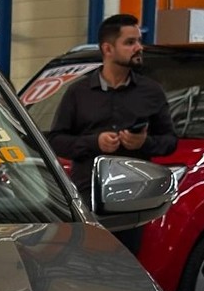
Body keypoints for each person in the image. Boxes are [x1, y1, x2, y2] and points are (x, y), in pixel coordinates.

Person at [48, 13, 178, 253]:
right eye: (130, 42)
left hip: (134, 199)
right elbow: (55, 140)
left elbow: (170, 141)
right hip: (87, 197)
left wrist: (143, 142)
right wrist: (94, 142)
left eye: (139, 41)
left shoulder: (151, 91)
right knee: (86, 261)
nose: (139, 47)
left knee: (127, 265)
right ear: (107, 49)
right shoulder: (78, 92)